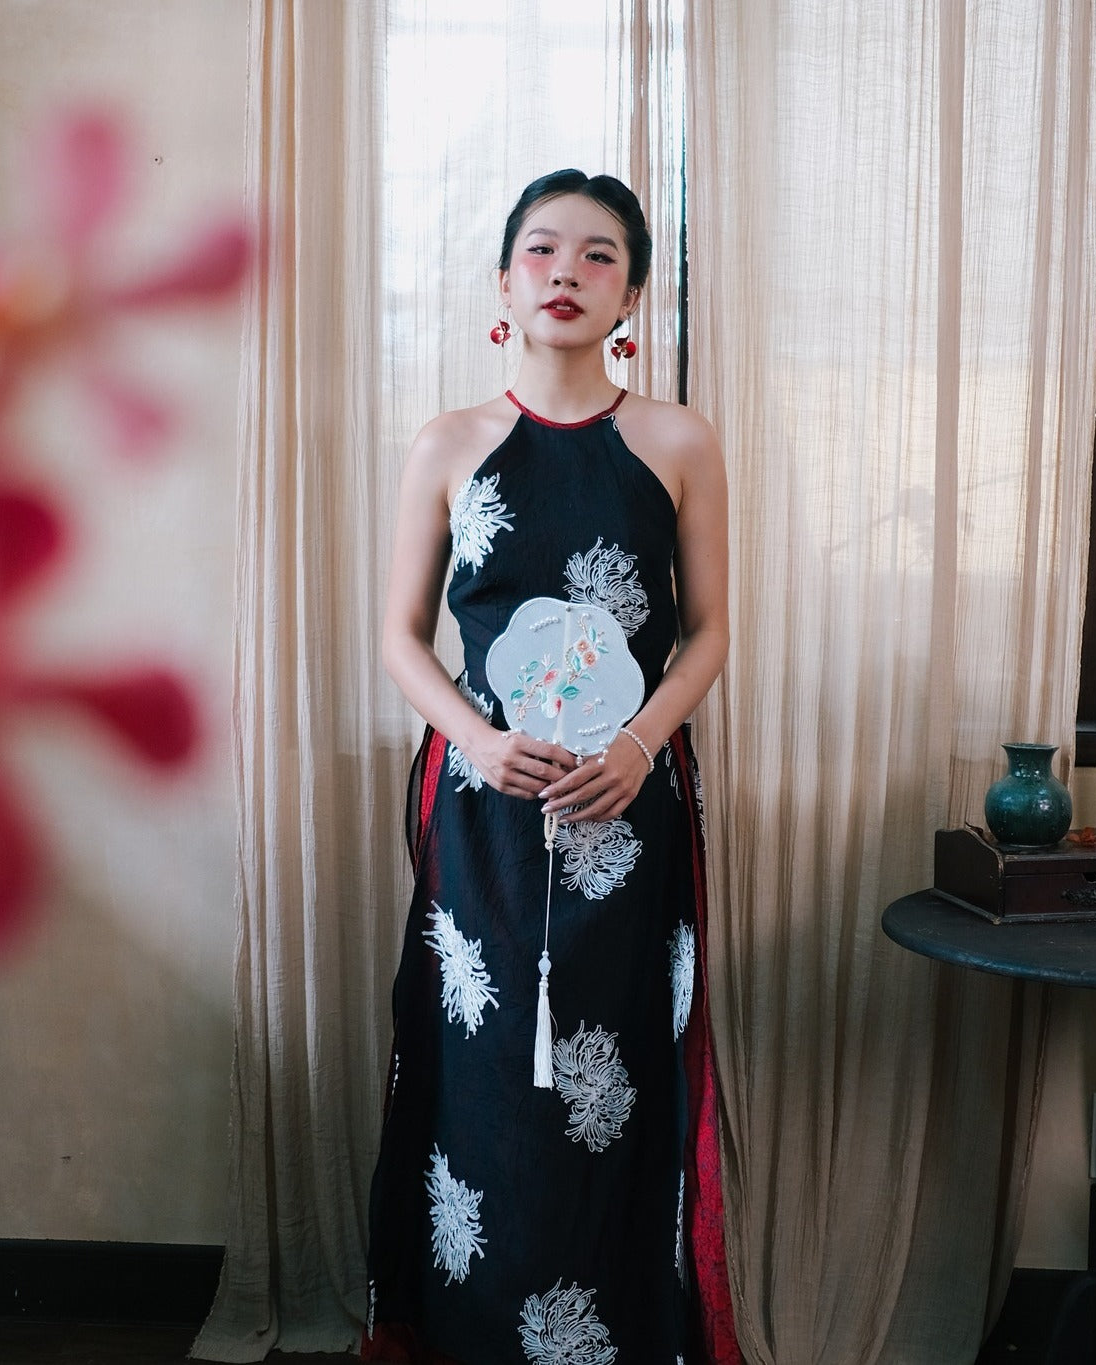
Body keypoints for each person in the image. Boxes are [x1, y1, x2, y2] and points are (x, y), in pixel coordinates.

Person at [364, 169, 738, 1365]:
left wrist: (640, 748)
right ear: (504, 283)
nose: (566, 274)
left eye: (597, 257)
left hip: (627, 814)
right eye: (542, 251)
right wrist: (473, 739)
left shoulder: (676, 440)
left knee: (614, 1076)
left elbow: (709, 629)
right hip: (481, 812)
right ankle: (467, 1336)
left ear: (631, 291)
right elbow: (400, 638)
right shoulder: (448, 444)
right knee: (481, 1082)